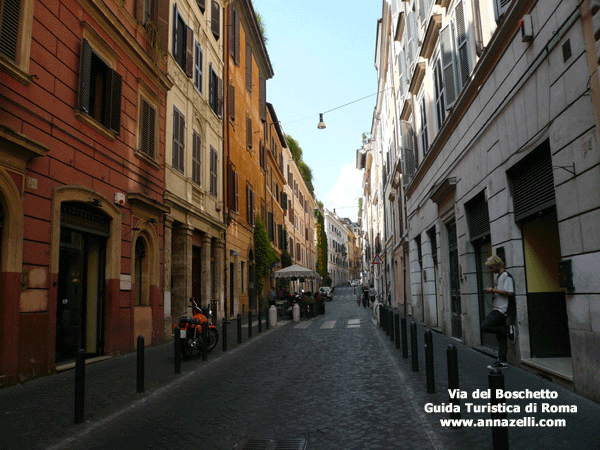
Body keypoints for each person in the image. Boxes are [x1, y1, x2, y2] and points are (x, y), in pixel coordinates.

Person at [481, 255, 516, 369]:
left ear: (497, 265)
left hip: (502, 310)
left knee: (485, 326)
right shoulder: (499, 277)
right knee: (501, 336)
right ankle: (502, 360)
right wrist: (492, 291)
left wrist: (493, 290)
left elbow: (510, 292)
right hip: (497, 307)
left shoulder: (506, 276)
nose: (490, 270)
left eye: (491, 267)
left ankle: (508, 329)